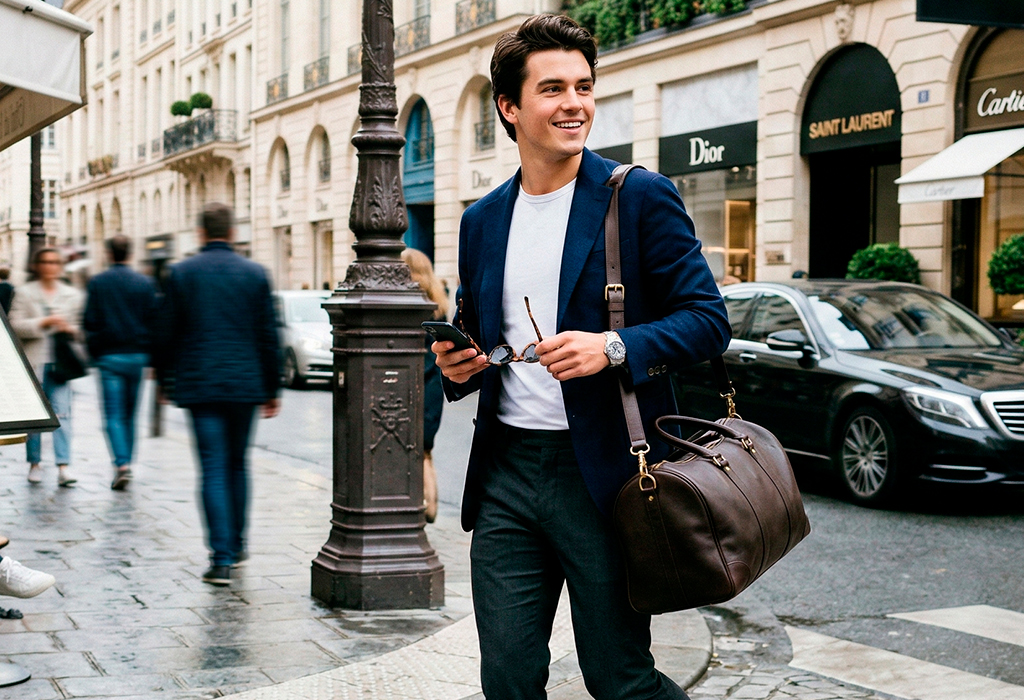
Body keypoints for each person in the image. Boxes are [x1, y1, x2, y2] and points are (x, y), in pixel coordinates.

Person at [432, 15, 730, 700]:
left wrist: (613, 346)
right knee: (506, 678)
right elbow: (475, 330)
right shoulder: (482, 220)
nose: (575, 103)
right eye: (553, 88)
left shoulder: (638, 196)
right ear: (509, 107)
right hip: (507, 472)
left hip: (607, 475)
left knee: (618, 679)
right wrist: (457, 367)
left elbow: (708, 321)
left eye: (584, 86)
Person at [154, 203, 281, 587]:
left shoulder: (181, 272)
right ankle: (238, 544)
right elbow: (269, 334)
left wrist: (163, 379)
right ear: (232, 231)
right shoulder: (255, 273)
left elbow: (166, 332)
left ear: (200, 232)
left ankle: (220, 558)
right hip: (245, 384)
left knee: (212, 467)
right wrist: (272, 388)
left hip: (201, 383)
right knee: (238, 464)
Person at [83, 235, 158, 490]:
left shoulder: (98, 282)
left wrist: (96, 352)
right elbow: (153, 321)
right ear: (130, 253)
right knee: (130, 415)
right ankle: (128, 462)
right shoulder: (145, 283)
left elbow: (89, 321)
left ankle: (122, 464)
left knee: (113, 415)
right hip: (137, 357)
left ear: (108, 253)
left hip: (109, 357)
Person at [9, 248, 85, 487]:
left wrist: (69, 329)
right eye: (45, 262)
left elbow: (81, 330)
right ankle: (35, 463)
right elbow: (15, 325)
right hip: (34, 362)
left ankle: (64, 466)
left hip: (61, 364)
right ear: (37, 265)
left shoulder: (72, 294)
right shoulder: (24, 293)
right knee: (35, 418)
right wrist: (43, 322)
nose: (50, 266)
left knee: (63, 414)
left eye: (55, 262)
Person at [401, 247, 448, 523]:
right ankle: (429, 503)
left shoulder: (411, 306)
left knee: (414, 451)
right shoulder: (437, 305)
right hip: (433, 391)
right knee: (424, 451)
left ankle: (427, 505)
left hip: (415, 388)